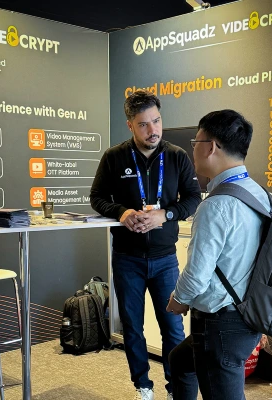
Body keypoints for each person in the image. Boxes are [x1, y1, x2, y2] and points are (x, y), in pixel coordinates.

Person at [90, 90, 201, 400]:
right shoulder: (114, 157)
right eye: (143, 124)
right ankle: (143, 386)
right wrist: (121, 212)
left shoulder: (177, 156)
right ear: (130, 125)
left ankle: (175, 388)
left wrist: (166, 214)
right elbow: (97, 197)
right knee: (133, 327)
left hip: (165, 259)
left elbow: (192, 199)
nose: (153, 130)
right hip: (127, 258)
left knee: (173, 328)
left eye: (157, 121)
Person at [166, 109, 269, 400]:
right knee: (180, 361)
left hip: (222, 323)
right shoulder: (257, 192)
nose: (193, 150)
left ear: (210, 147)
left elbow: (197, 276)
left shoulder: (215, 205)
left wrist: (178, 300)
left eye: (195, 142)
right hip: (249, 312)